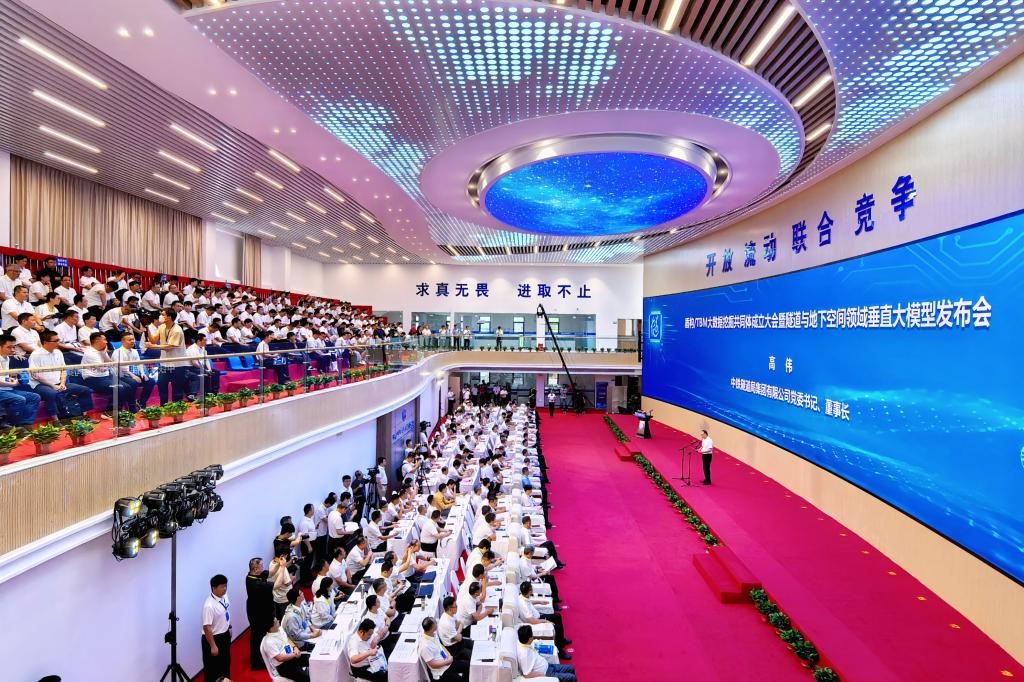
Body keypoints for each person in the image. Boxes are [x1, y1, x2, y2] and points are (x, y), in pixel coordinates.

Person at [28, 330, 94, 421]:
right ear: (45, 342)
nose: (58, 343)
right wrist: (53, 386)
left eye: (58, 340)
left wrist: (62, 383)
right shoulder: (35, 354)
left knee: (85, 390)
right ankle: (56, 420)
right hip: (41, 385)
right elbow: (36, 375)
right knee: (51, 393)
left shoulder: (58, 352)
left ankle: (84, 416)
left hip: (60, 383)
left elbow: (63, 369)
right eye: (55, 341)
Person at [515, 581, 571, 657]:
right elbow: (532, 621)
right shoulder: (524, 605)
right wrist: (545, 621)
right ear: (529, 591)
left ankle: (562, 640)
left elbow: (529, 602)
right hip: (536, 621)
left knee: (557, 616)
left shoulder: (522, 597)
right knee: (557, 627)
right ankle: (560, 650)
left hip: (538, 616)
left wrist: (539, 602)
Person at [0, 333, 41, 429]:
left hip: (7, 389)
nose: (12, 350)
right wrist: (13, 383)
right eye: (9, 347)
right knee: (19, 399)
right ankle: (11, 426)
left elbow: (4, 377)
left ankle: (26, 424)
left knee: (34, 397)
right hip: (2, 390)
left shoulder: (7, 358)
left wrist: (13, 377)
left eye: (14, 347)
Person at [111, 331, 155, 412]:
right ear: (122, 341)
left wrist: (142, 373)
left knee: (150, 381)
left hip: (130, 374)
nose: (132, 341)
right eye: (129, 340)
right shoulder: (117, 352)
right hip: (120, 376)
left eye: (133, 339)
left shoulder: (134, 351)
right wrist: (133, 376)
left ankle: (141, 403)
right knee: (133, 382)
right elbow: (122, 367)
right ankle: (131, 405)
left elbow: (138, 363)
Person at [150, 308, 188, 404]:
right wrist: (147, 329)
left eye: (163, 314)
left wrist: (153, 347)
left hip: (177, 365)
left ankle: (177, 409)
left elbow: (170, 347)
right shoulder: (161, 326)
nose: (160, 316)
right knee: (161, 385)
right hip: (164, 364)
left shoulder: (177, 330)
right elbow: (153, 340)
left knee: (177, 389)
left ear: (169, 317)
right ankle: (163, 406)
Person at [260, 616, 310, 682]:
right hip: (284, 666)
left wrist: (295, 647)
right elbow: (280, 658)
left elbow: (287, 639)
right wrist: (294, 654)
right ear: (271, 627)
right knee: (306, 677)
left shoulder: (280, 629)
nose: (278, 621)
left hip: (292, 656)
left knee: (311, 659)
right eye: (276, 621)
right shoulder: (268, 642)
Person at [245, 557, 275, 671]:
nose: (263, 567)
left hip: (261, 611)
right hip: (257, 614)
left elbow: (271, 573)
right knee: (257, 637)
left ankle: (261, 656)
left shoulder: (256, 575)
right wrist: (282, 568)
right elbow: (276, 585)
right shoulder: (254, 582)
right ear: (256, 568)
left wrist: (281, 563)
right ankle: (256, 662)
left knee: (260, 635)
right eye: (261, 565)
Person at [201, 574, 232, 681]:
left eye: (226, 585)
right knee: (213, 668)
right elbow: (207, 627)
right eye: (222, 586)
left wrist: (229, 627)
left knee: (225, 663)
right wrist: (213, 646)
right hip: (214, 639)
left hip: (224, 634)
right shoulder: (209, 605)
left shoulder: (224, 595)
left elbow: (226, 611)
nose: (225, 589)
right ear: (214, 588)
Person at [419, 616, 469, 681]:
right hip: (441, 671)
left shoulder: (433, 634)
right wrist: (447, 661)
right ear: (432, 628)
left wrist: (449, 655)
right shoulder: (425, 646)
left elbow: (440, 646)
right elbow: (433, 665)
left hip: (447, 660)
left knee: (468, 666)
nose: (437, 622)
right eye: (435, 623)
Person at [438, 596, 473, 661]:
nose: (457, 607)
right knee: (472, 656)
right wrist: (458, 633)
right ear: (450, 608)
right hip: (453, 649)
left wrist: (457, 633)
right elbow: (459, 638)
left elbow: (460, 623)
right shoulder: (447, 623)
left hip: (457, 641)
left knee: (474, 645)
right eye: (455, 606)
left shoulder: (451, 614)